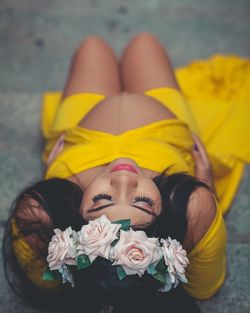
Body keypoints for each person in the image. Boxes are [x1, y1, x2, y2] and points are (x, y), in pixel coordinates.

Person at [2, 32, 250, 313]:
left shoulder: (37, 217)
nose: (122, 177)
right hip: (166, 126)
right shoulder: (193, 210)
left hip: (79, 130)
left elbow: (47, 282)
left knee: (92, 46)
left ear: (77, 219)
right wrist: (208, 189)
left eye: (102, 200)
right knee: (144, 43)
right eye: (142, 202)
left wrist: (54, 182)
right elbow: (206, 285)